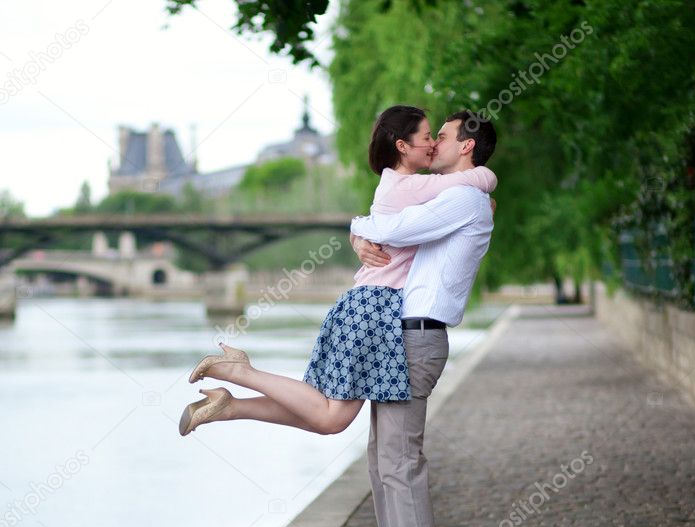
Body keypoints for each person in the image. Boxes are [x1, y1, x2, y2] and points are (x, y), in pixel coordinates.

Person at [177, 105, 496, 443]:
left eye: (438, 137)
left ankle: (231, 406)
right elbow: (474, 179)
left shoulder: (406, 186)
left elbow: (440, 206)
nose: (432, 144)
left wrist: (357, 234)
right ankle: (240, 372)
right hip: (376, 306)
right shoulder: (414, 187)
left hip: (366, 304)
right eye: (428, 137)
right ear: (402, 145)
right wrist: (485, 190)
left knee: (324, 414)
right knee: (331, 416)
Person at [344, 110, 498, 527]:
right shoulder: (454, 192)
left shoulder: (465, 198)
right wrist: (362, 237)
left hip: (418, 338)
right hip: (403, 334)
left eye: (445, 136)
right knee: (382, 458)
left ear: (468, 146)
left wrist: (357, 228)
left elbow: (397, 227)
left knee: (401, 461)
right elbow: (394, 225)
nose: (435, 145)